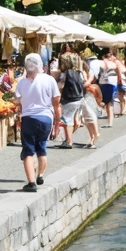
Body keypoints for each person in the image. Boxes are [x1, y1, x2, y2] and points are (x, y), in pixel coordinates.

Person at [16, 53, 61, 191]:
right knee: (42, 147)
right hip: (46, 117)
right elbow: (57, 99)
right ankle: (40, 175)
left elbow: (17, 101)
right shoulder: (49, 80)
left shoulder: (22, 82)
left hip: (29, 118)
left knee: (28, 151)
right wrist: (56, 120)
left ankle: (31, 183)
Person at [56, 52, 86, 149]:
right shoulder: (79, 73)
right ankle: (67, 139)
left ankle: (69, 141)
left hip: (69, 99)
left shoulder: (64, 74)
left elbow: (60, 87)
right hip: (79, 98)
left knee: (67, 120)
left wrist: (58, 101)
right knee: (75, 120)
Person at [98, 50, 122, 127]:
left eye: (111, 55)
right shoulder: (102, 63)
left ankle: (110, 122)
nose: (110, 57)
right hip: (104, 83)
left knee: (109, 103)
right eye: (108, 56)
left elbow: (118, 72)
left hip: (110, 84)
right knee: (106, 102)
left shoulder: (113, 64)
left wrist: (119, 79)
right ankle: (109, 121)